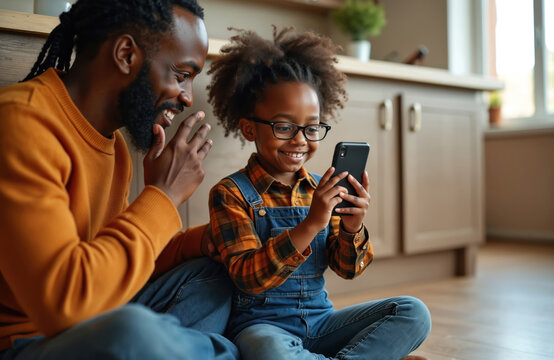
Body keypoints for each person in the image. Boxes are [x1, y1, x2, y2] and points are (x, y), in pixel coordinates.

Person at [0, 1, 238, 359]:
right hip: (26, 342)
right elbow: (64, 304)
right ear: (126, 54)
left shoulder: (115, 146)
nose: (188, 96)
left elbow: (113, 267)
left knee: (212, 277)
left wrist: (205, 241)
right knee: (132, 332)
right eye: (181, 74)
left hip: (98, 317)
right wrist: (163, 196)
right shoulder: (22, 124)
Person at [204, 27, 432, 360]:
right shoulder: (229, 194)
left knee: (413, 312)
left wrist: (353, 228)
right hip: (263, 328)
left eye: (312, 128)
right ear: (249, 128)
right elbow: (248, 276)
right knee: (266, 350)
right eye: (284, 127)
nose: (300, 140)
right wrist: (311, 224)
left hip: (322, 323)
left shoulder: (321, 188)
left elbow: (347, 269)